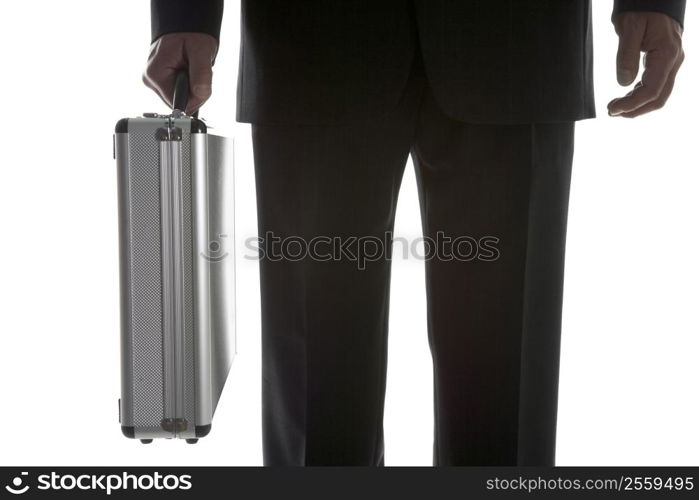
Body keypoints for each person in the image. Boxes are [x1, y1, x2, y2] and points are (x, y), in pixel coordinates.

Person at [143, 0, 686, 466]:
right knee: (316, 391)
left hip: (519, 37)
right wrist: (186, 11)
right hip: (309, 38)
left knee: (504, 398)